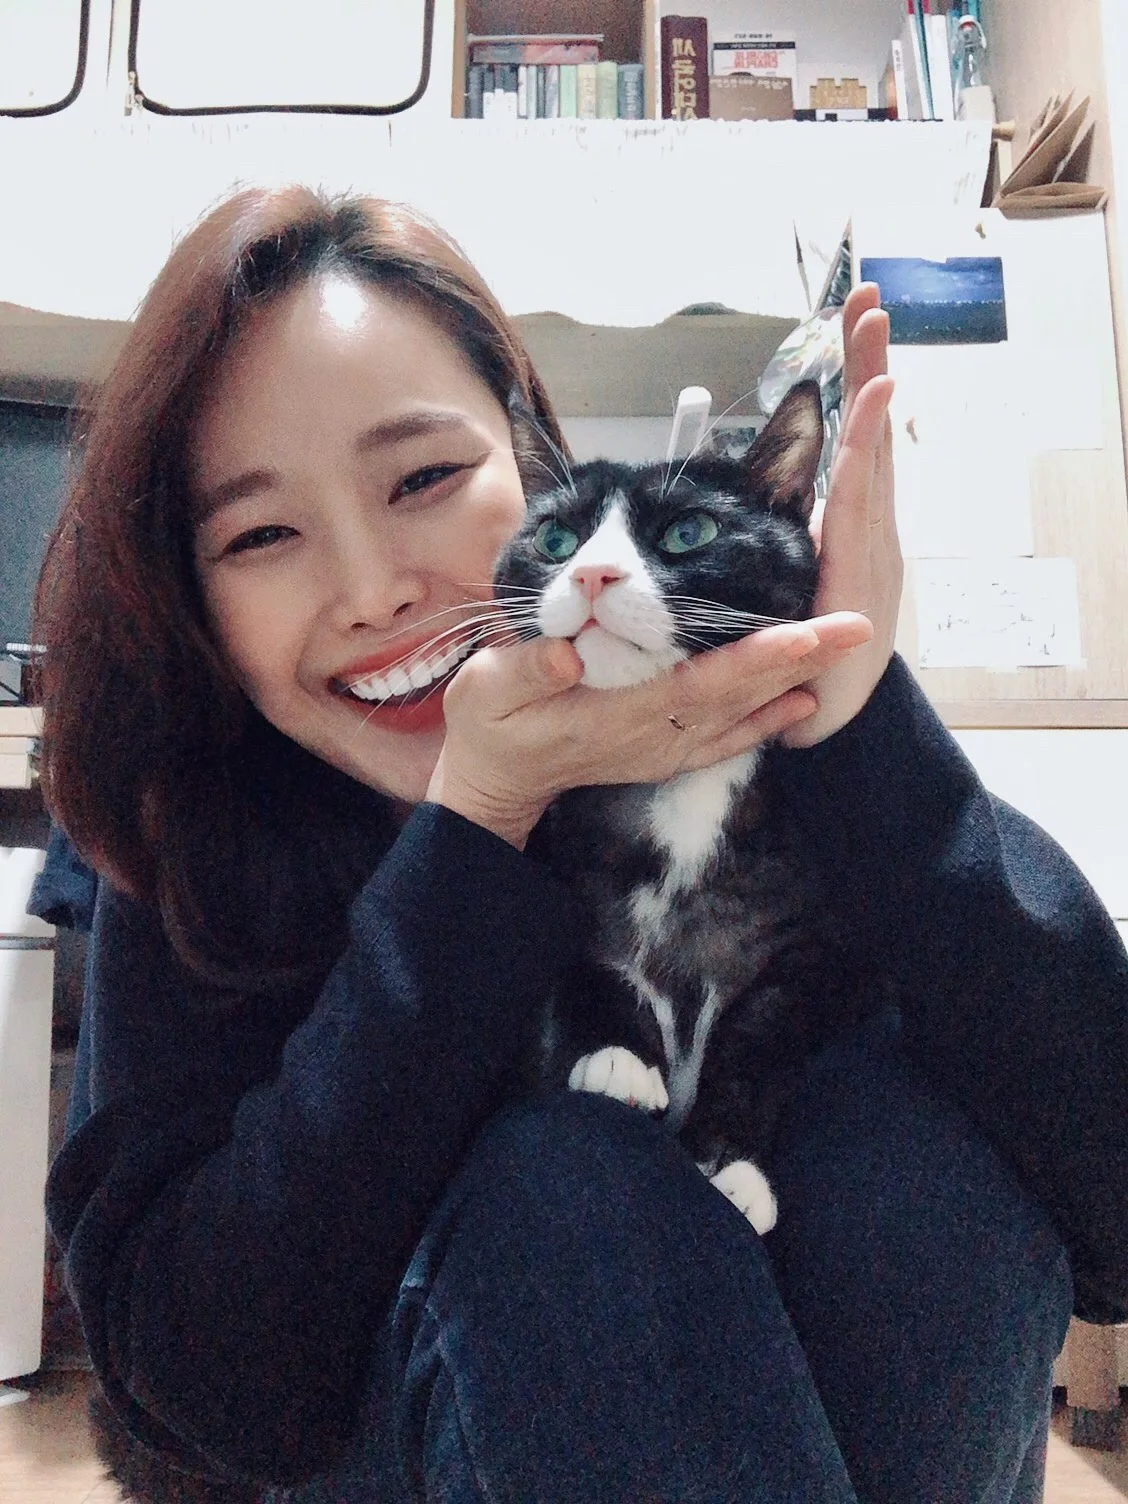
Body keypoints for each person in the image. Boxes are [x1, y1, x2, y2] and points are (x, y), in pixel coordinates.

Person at [36, 185, 1126, 1504]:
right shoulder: (198, 843)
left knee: (919, 1167)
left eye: (425, 478)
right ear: (190, 592)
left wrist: (848, 721)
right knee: (567, 1186)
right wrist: (475, 829)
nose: (373, 591)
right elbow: (211, 1393)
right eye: (261, 534)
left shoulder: (737, 760)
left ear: (535, 466)